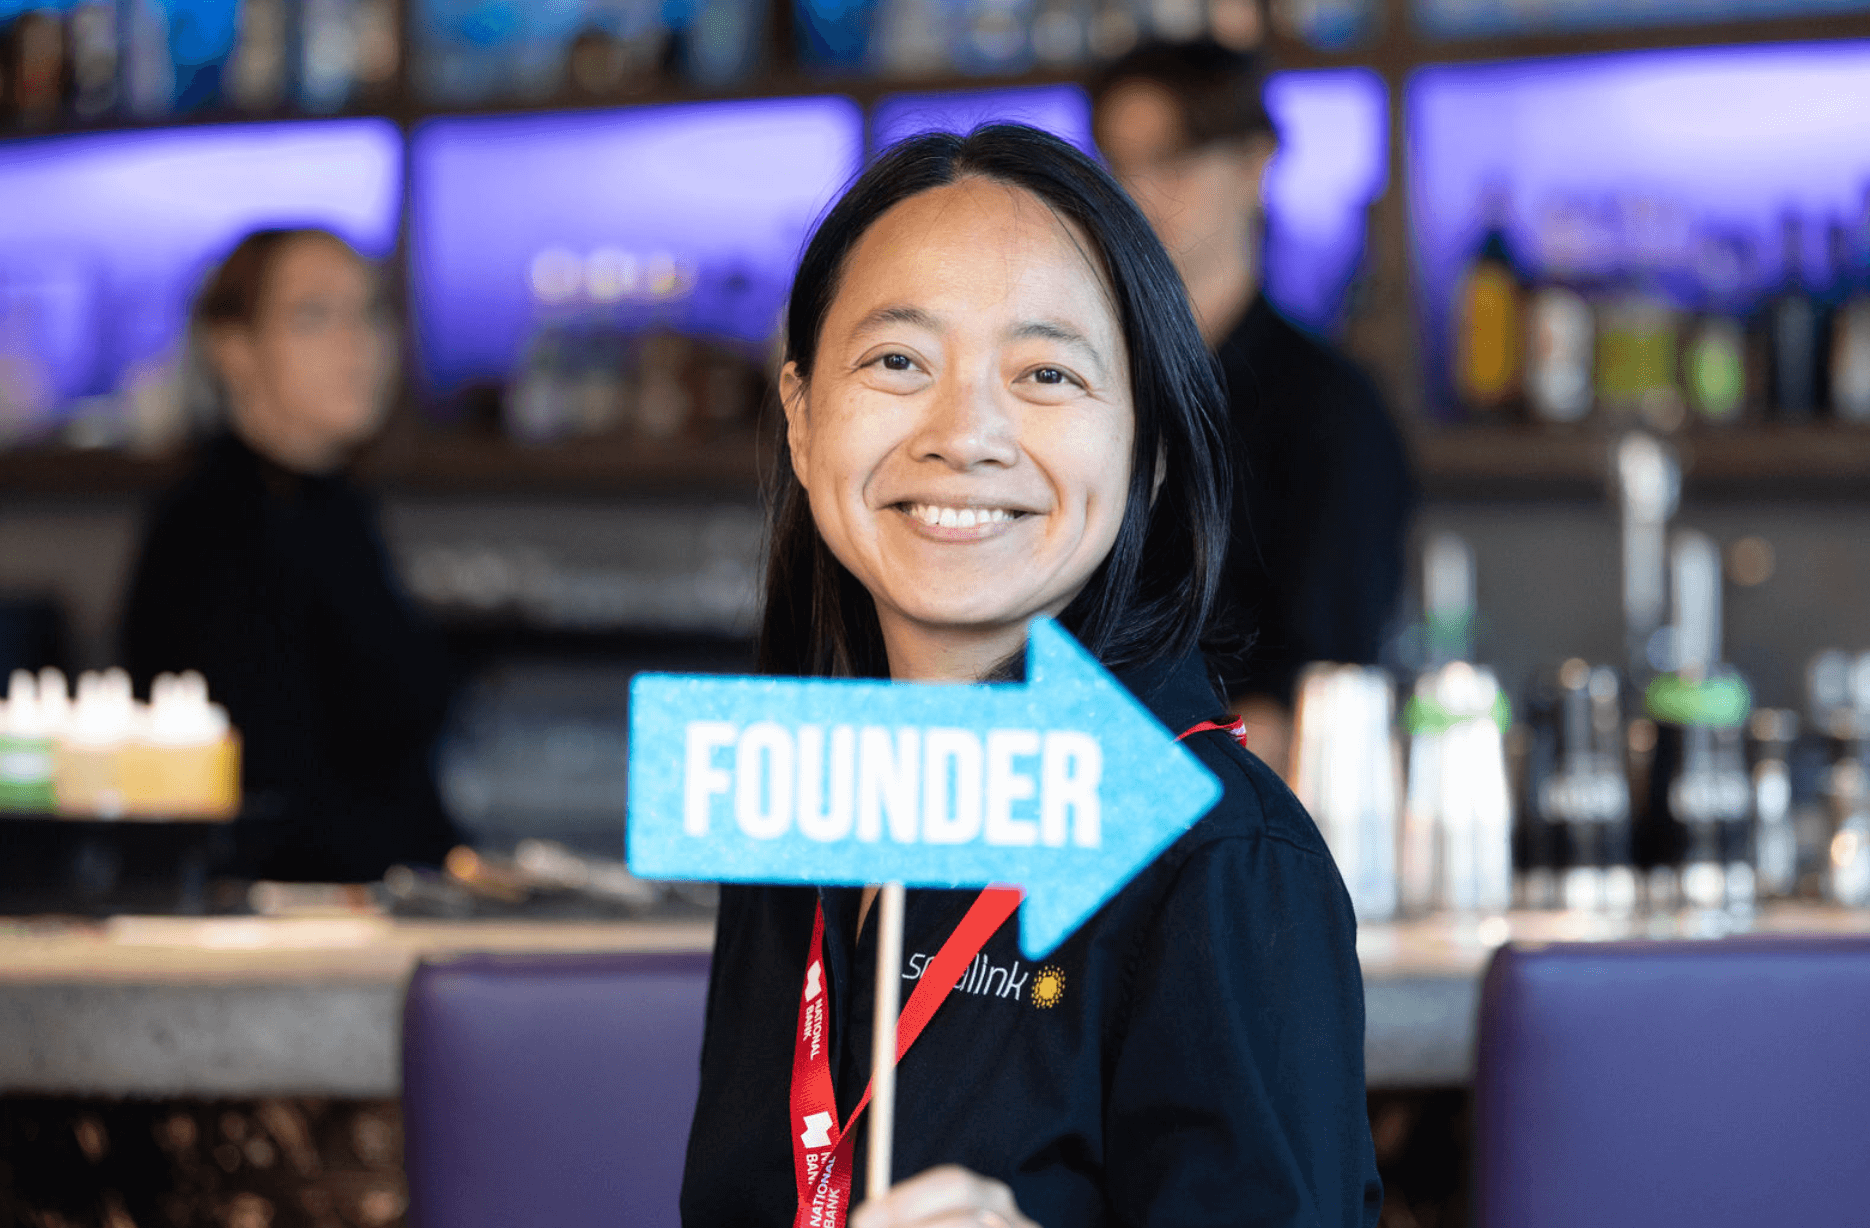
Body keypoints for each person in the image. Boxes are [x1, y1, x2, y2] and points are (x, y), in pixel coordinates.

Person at [680, 126, 1380, 1228]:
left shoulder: (1223, 864)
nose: (965, 433)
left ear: (1144, 451)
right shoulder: (799, 800)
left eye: (1046, 373)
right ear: (804, 419)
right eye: (898, 361)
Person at [1093, 40, 1415, 776]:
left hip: (1239, 816)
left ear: (1254, 162)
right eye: (1117, 164)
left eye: (1169, 161)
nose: (1139, 192)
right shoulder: (1079, 387)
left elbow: (1323, 690)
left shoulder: (1333, 408)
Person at [122, 228, 459, 882]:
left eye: (370, 313)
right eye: (314, 317)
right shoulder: (211, 529)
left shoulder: (338, 510)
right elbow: (270, 795)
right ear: (233, 350)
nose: (357, 345)